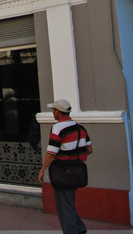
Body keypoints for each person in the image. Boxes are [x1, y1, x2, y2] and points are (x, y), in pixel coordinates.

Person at [38, 99, 92, 234]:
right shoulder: (80, 128)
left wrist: (42, 170)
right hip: (76, 171)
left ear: (58, 112)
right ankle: (80, 228)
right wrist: (74, 155)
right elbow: (89, 149)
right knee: (66, 203)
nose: (53, 112)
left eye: (53, 110)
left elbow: (51, 154)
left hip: (62, 172)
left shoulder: (57, 128)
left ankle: (72, 231)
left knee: (64, 205)